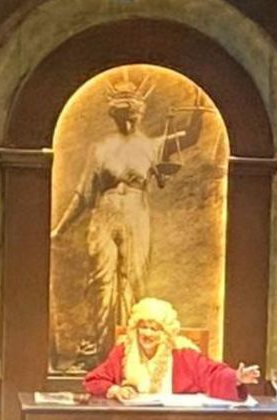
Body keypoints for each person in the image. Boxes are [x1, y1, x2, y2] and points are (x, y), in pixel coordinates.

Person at [51, 72, 194, 360]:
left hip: (135, 215)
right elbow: (83, 194)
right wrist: (60, 229)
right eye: (123, 114)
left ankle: (133, 351)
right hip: (104, 214)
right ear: (114, 115)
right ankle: (95, 349)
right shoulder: (100, 149)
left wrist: (198, 104)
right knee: (100, 281)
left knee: (134, 278)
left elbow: (191, 136)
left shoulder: (152, 146)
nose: (128, 120)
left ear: (140, 113)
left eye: (132, 114)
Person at [83, 298, 259, 401]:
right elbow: (94, 380)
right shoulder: (124, 350)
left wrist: (236, 378)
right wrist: (115, 390)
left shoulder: (183, 353)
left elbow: (212, 374)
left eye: (154, 329)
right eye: (143, 327)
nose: (147, 334)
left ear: (166, 333)